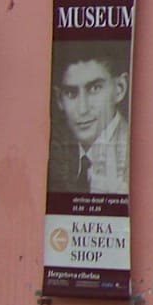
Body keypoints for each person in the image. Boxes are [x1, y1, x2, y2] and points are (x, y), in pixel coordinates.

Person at [48, 41, 131, 194]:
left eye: (94, 88)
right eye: (71, 93)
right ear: (59, 99)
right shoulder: (59, 161)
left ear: (120, 89)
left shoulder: (134, 158)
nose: (83, 109)